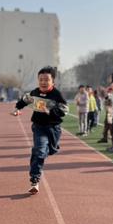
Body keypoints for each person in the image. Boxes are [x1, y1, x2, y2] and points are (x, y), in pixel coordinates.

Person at [13, 66, 68, 195]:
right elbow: (25, 100)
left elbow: (64, 110)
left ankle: (45, 150)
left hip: (53, 128)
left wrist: (51, 111)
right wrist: (17, 108)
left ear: (52, 81)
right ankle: (35, 179)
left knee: (51, 150)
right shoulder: (35, 92)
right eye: (41, 79)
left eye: (46, 80)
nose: (43, 82)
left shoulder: (56, 94)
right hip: (39, 127)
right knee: (40, 150)